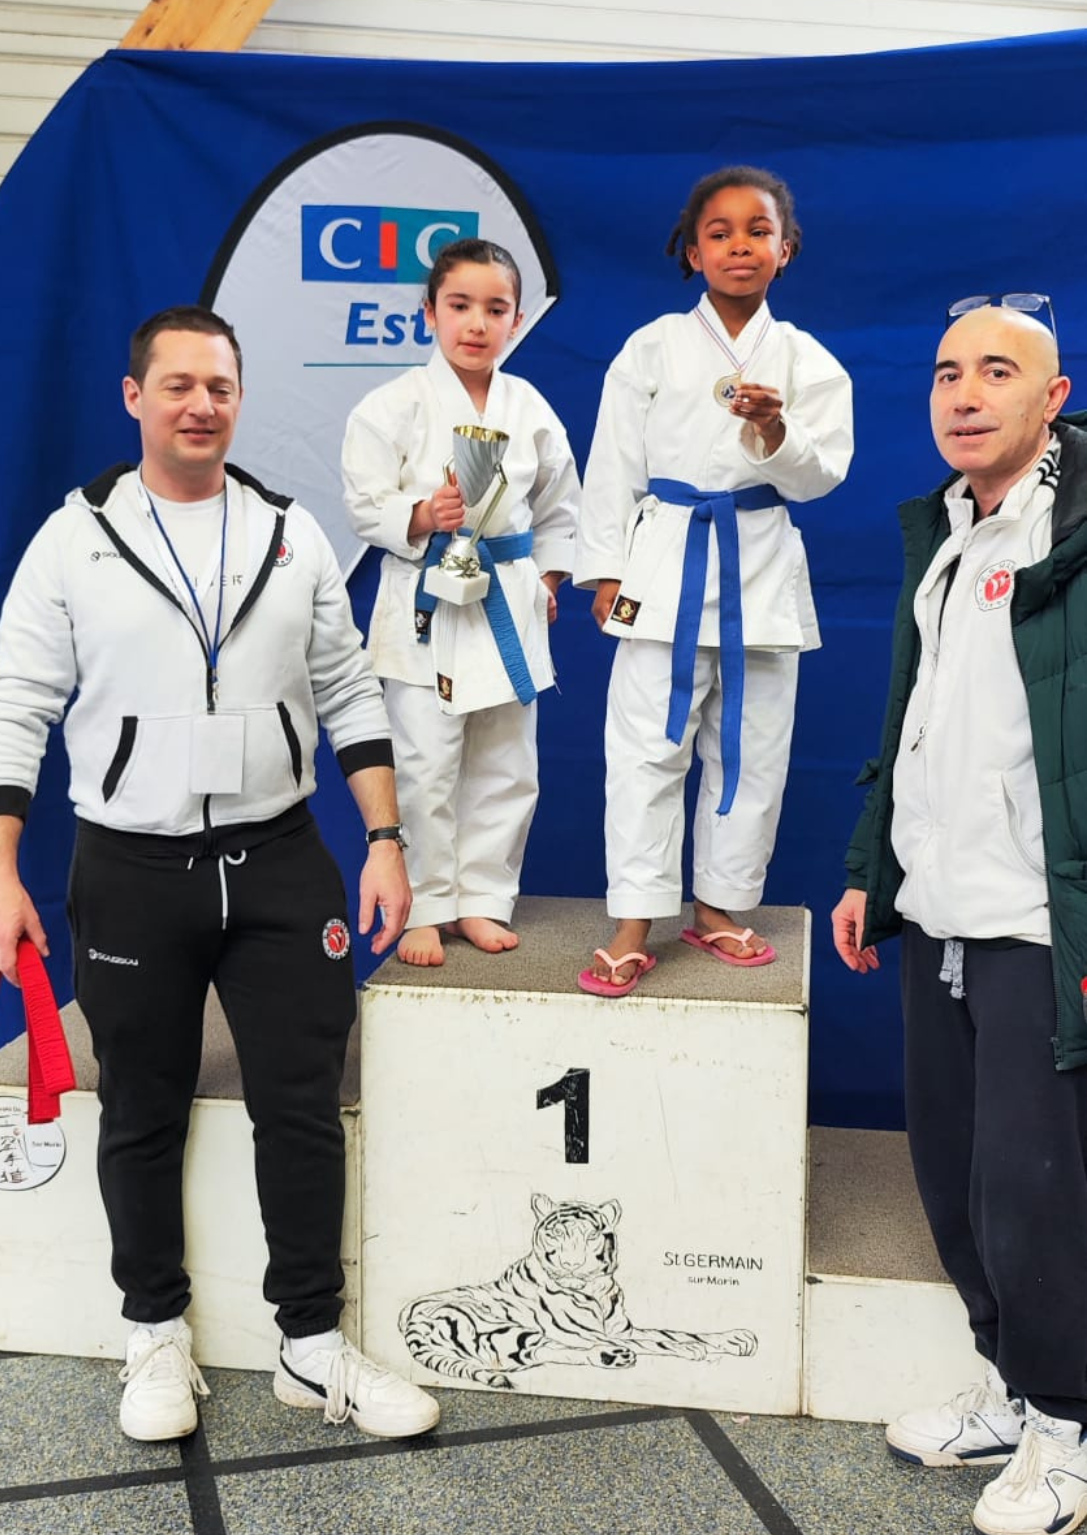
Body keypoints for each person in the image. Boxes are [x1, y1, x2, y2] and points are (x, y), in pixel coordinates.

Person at [0, 305, 440, 1445]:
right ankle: (154, 1333)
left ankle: (311, 1346)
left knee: (302, 1107)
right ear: (134, 397)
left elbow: (348, 690)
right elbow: (15, 703)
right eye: (177, 385)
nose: (200, 405)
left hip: (280, 861)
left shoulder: (289, 533)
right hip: (131, 870)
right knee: (141, 1107)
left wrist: (385, 839)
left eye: (220, 386)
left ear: (239, 398)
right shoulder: (74, 538)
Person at [832, 301, 1087, 1535]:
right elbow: (914, 719)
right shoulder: (943, 530)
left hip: (1040, 919)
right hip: (939, 912)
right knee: (954, 1173)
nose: (965, 393)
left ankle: (1070, 1428)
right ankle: (1011, 1381)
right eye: (946, 373)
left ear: (1055, 395)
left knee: (1040, 1187)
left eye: (997, 370)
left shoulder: (1074, 529)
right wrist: (869, 870)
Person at [574, 166, 852, 997]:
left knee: (751, 751)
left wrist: (776, 429)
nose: (740, 246)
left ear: (785, 250)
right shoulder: (652, 345)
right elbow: (612, 463)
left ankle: (719, 906)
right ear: (693, 253)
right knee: (644, 749)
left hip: (759, 565)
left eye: (758, 231)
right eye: (720, 233)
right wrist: (606, 569)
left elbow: (823, 475)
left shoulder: (806, 360)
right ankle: (634, 918)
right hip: (664, 563)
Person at [341, 237, 579, 967]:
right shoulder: (390, 407)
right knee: (424, 762)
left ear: (515, 321)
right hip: (429, 601)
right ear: (429, 313)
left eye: (495, 309)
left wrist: (548, 581)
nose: (477, 323)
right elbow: (363, 502)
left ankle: (483, 898)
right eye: (460, 305)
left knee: (508, 763)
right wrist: (421, 514)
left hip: (506, 597)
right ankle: (424, 905)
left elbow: (563, 506)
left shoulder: (528, 407)